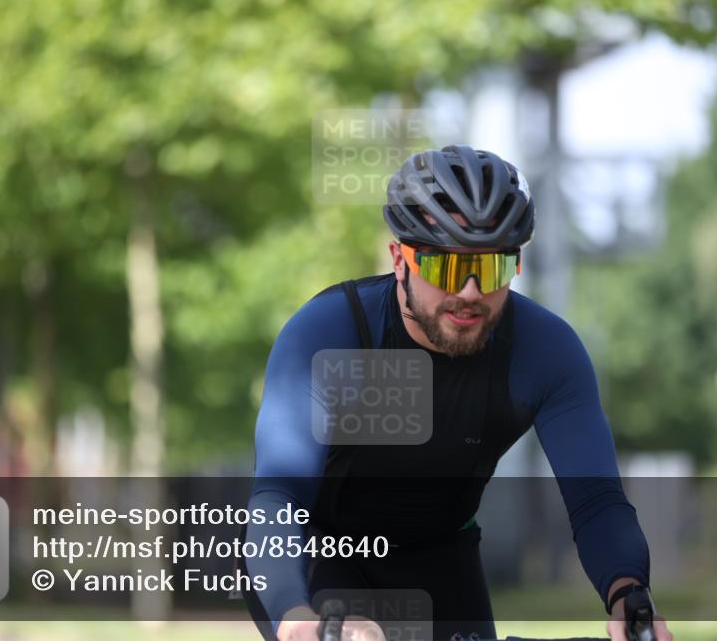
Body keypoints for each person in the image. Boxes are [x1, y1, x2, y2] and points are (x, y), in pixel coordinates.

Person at [242, 145, 673, 641]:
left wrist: (629, 596)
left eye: (490, 269)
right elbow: (279, 495)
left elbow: (595, 499)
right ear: (399, 261)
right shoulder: (329, 334)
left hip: (444, 557)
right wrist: (295, 620)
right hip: (321, 558)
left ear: (517, 266)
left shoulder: (546, 350)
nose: (469, 292)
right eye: (446, 267)